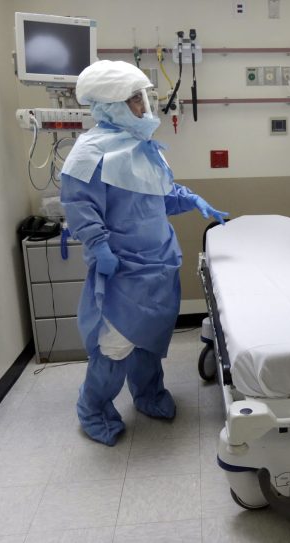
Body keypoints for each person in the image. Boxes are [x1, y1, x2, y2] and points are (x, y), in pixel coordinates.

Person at [60, 60, 228, 446]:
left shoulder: (142, 145)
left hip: (159, 261)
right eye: (134, 99)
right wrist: (99, 247)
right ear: (108, 105)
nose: (143, 107)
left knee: (149, 339)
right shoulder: (87, 154)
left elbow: (159, 195)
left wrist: (192, 199)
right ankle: (93, 408)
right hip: (123, 268)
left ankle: (149, 394)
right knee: (115, 345)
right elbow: (81, 207)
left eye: (143, 98)